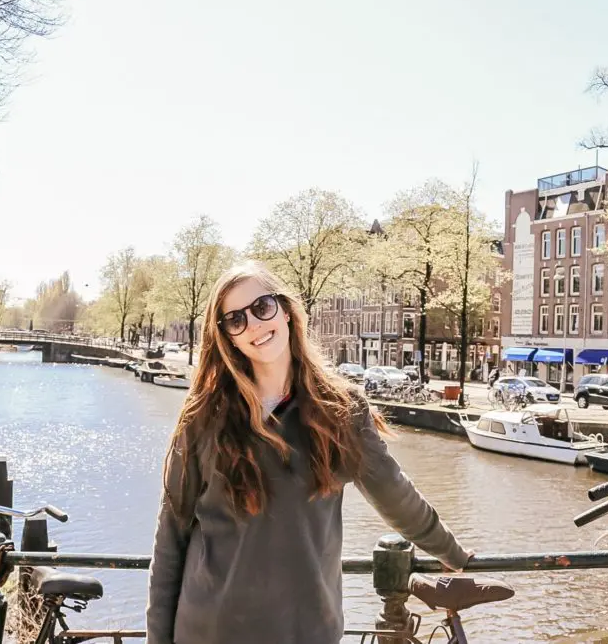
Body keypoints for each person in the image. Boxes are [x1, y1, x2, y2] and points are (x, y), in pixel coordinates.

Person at [146, 262, 471, 644]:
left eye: (262, 307)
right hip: (211, 630)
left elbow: (396, 495)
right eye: (234, 320)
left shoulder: (341, 411)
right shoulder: (204, 419)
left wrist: (458, 558)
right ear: (227, 337)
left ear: (286, 311)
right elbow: (171, 540)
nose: (253, 324)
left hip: (306, 630)